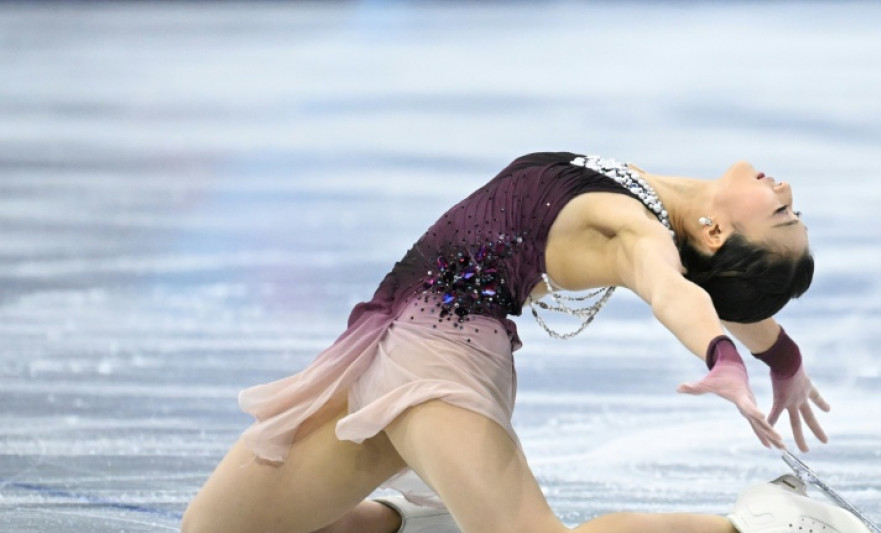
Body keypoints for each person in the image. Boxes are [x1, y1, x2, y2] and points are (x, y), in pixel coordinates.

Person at [182, 152, 831, 533]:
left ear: (718, 228)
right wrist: (783, 357)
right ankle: (407, 519)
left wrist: (721, 357)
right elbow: (711, 287)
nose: (786, 191)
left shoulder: (634, 229)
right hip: (381, 339)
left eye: (781, 213)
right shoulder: (662, 207)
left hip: (441, 358)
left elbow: (673, 289)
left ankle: (754, 528)